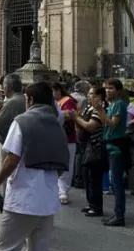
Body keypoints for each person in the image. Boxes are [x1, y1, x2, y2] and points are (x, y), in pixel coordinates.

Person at [0, 82, 68, 251]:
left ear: (29, 100)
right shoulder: (57, 123)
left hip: (23, 198)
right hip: (48, 201)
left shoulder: (22, 121)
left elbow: (12, 158)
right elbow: (63, 162)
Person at [95, 78, 129, 226]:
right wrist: (100, 111)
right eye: (106, 88)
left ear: (118, 90)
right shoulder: (112, 105)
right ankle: (117, 213)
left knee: (117, 183)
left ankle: (119, 215)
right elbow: (105, 122)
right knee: (114, 182)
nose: (108, 91)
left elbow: (113, 124)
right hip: (109, 145)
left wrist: (101, 110)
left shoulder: (120, 104)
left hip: (116, 148)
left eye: (111, 88)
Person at [76, 85, 107, 217]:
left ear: (99, 96)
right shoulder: (89, 108)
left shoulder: (99, 109)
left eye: (92, 94)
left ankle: (96, 207)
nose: (89, 97)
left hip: (95, 146)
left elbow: (91, 127)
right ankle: (91, 203)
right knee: (87, 177)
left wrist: (76, 118)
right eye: (88, 94)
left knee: (94, 178)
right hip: (86, 146)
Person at [52, 82, 79, 204]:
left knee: (67, 165)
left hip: (68, 138)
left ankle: (63, 192)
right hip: (57, 138)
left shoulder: (67, 101)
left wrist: (54, 114)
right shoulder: (54, 102)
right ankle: (57, 190)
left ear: (58, 90)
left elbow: (70, 115)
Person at [0, 73, 26, 144]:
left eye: (3, 86)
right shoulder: (23, 98)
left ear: (8, 87)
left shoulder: (12, 102)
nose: (2, 88)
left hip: (11, 146)